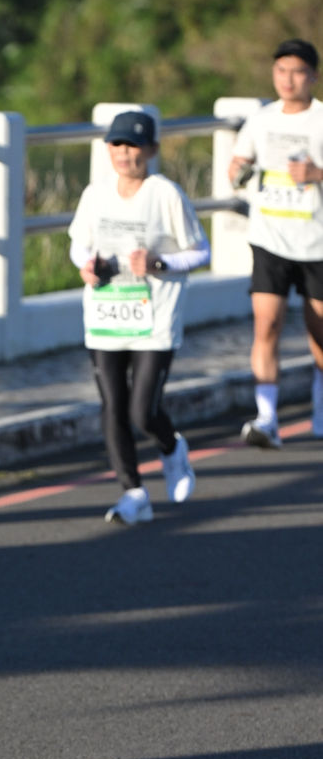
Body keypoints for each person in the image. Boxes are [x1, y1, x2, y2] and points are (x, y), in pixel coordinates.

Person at [69, 110, 211, 525]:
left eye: (133, 145)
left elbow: (201, 251)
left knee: (142, 412)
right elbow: (79, 245)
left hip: (155, 317)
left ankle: (171, 448)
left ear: (151, 150)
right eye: (116, 144)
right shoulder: (95, 194)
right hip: (106, 312)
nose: (124, 152)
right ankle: (133, 493)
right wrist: (86, 265)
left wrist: (158, 263)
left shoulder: (165, 194)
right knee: (112, 406)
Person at [228, 37, 323, 447]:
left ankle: (320, 411)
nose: (288, 79)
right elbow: (239, 163)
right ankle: (266, 418)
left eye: (298, 72)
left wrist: (317, 175)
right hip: (269, 238)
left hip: (317, 243)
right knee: (266, 325)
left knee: (319, 334)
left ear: (313, 77)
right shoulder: (261, 120)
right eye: (281, 70)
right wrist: (237, 169)